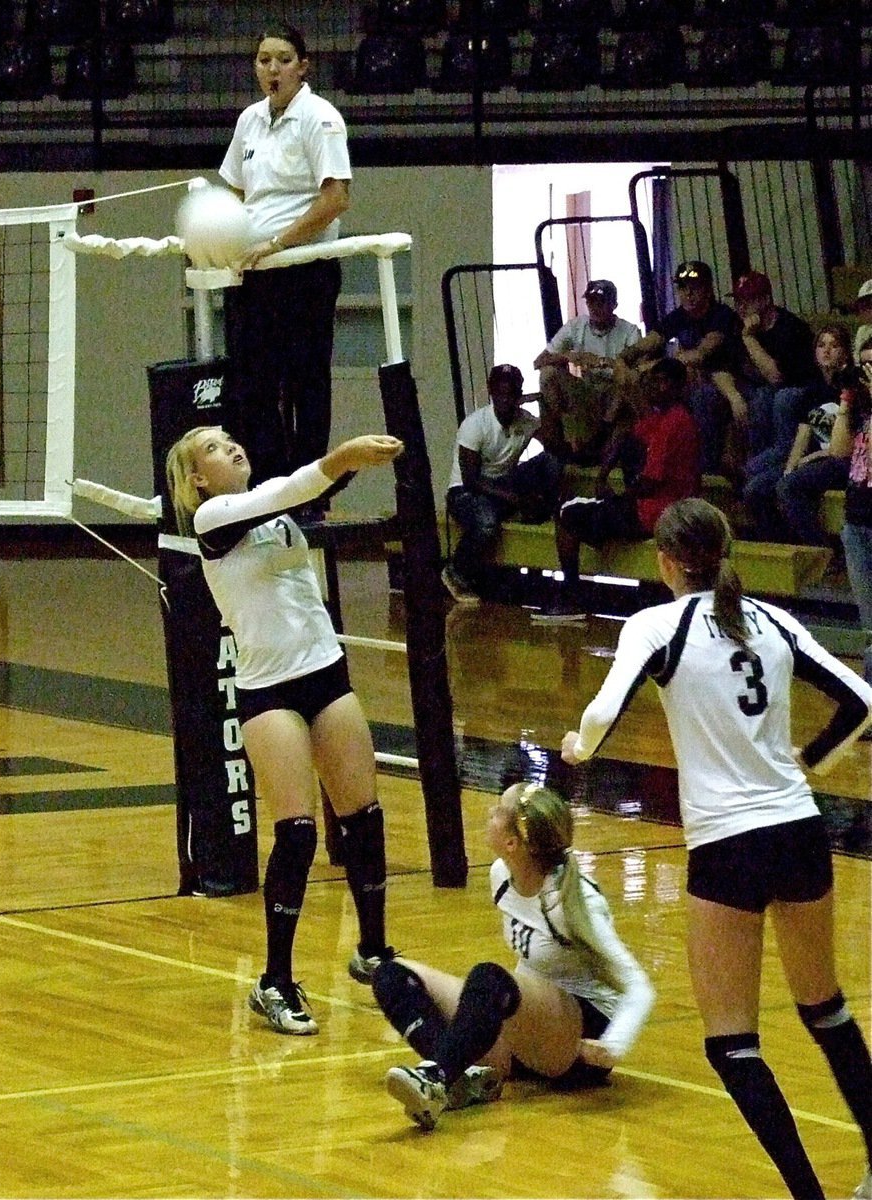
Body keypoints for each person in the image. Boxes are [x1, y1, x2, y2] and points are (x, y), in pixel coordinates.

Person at [561, 497, 872, 1200]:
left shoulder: (656, 625)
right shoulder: (773, 620)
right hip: (798, 832)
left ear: (666, 560)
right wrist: (812, 760)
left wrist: (581, 748)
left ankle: (807, 1195)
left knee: (730, 1041)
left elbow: (605, 707)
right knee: (823, 1008)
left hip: (727, 845)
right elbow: (860, 697)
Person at [165, 426, 403, 1035]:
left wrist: (354, 466)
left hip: (325, 673)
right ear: (197, 479)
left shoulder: (277, 513)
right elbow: (293, 486)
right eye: (214, 448)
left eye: (230, 439)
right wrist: (342, 458)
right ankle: (275, 980)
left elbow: (296, 494)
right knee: (296, 833)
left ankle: (373, 951)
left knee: (364, 817)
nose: (232, 446)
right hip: (269, 691)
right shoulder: (213, 519)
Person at [372, 781, 654, 1132]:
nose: (489, 812)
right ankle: (463, 1078)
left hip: (579, 1041)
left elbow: (639, 987)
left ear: (513, 843)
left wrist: (613, 1045)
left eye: (498, 811)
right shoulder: (501, 875)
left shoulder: (572, 902)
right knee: (391, 975)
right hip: (523, 1025)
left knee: (489, 976)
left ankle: (436, 1076)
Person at [219, 24, 352, 486]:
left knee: (305, 383)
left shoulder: (321, 118)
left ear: (303, 66)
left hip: (304, 273)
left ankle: (311, 486)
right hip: (255, 277)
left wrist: (277, 243)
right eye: (263, 60)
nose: (272, 69)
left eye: (282, 59)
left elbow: (335, 198)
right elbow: (235, 190)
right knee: (252, 385)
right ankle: (270, 484)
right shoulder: (249, 120)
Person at [532, 357, 700, 623]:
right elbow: (626, 434)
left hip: (654, 512)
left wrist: (618, 498)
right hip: (665, 509)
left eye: (663, 382)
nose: (656, 387)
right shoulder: (665, 418)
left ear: (679, 387)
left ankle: (571, 596)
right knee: (590, 506)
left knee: (566, 513)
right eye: (654, 381)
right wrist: (603, 474)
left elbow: (650, 481)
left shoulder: (674, 423)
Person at [442, 363, 562, 604]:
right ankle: (456, 572)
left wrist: (543, 403)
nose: (506, 400)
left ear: (519, 394)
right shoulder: (476, 424)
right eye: (501, 394)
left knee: (551, 461)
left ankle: (540, 511)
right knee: (486, 524)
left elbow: (557, 446)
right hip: (466, 493)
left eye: (512, 394)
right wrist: (514, 498)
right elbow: (471, 480)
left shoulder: (526, 420)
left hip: (503, 485)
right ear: (492, 392)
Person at [623, 260, 741, 475]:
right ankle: (651, 456)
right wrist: (624, 358)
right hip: (692, 381)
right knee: (646, 385)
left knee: (703, 397)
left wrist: (652, 365)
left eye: (694, 288)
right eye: (682, 288)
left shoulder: (722, 315)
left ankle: (707, 468)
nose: (688, 294)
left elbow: (701, 353)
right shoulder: (678, 316)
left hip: (725, 383)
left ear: (708, 289)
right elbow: (651, 340)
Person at [745, 321, 851, 542]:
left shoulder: (852, 386)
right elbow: (802, 435)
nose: (827, 350)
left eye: (834, 345)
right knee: (755, 489)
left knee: (788, 487)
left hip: (844, 460)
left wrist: (809, 459)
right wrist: (790, 467)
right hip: (815, 460)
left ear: (845, 352)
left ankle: (821, 551)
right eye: (821, 345)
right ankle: (782, 547)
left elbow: (850, 444)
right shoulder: (812, 391)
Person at [533, 279, 642, 465]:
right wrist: (569, 356)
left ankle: (600, 438)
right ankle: (563, 443)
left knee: (623, 385)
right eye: (591, 302)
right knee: (548, 374)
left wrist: (600, 362)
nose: (595, 308)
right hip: (586, 390)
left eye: (602, 302)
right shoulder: (576, 326)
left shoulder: (629, 331)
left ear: (614, 305)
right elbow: (539, 361)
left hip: (615, 392)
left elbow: (637, 373)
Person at [725, 270, 816, 461]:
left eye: (747, 301)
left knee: (766, 397)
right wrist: (733, 396)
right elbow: (721, 368)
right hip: (754, 388)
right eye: (738, 302)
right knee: (708, 395)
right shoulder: (736, 324)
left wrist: (748, 338)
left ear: (765, 299)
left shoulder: (790, 329)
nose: (741, 308)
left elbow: (776, 377)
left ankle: (763, 462)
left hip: (795, 388)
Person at [829, 346, 872, 687]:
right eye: (864, 365)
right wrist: (846, 401)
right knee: (869, 624)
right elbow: (839, 451)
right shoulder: (858, 410)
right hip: (857, 522)